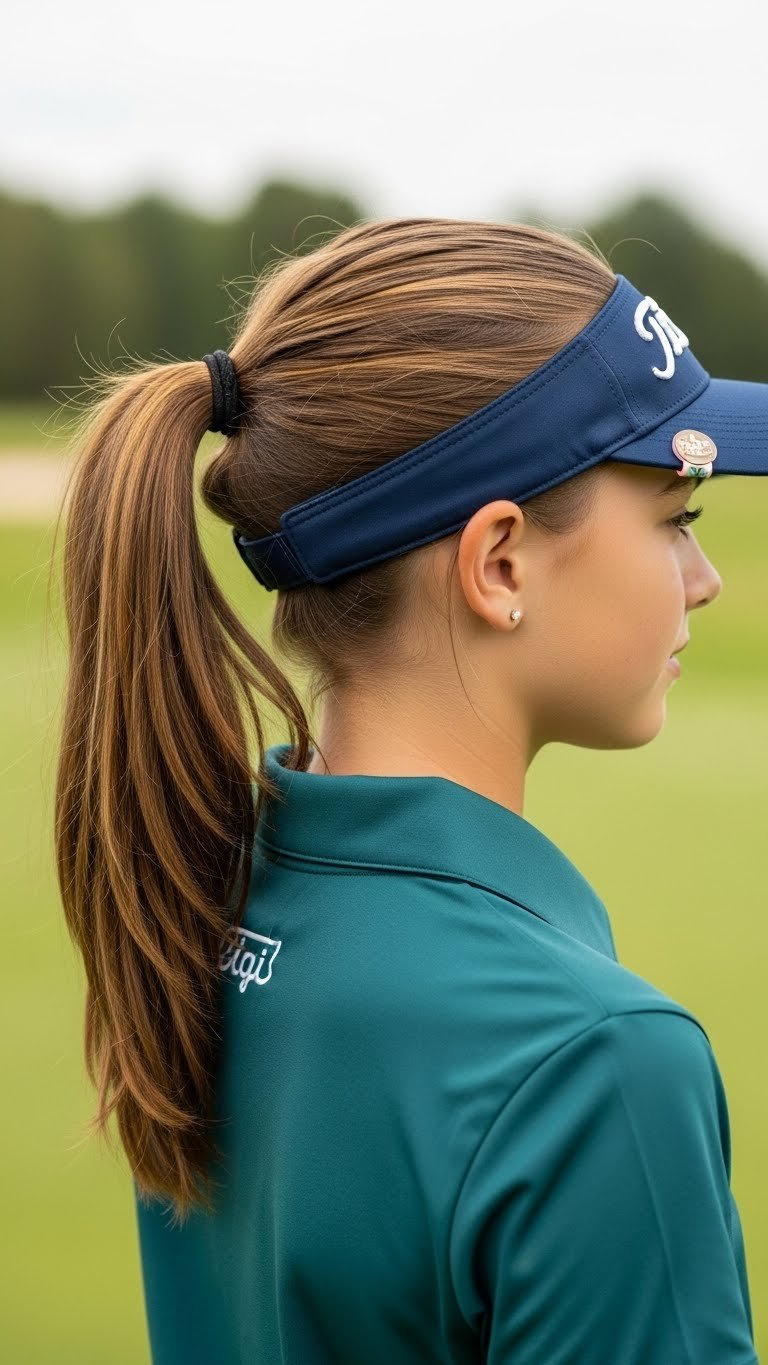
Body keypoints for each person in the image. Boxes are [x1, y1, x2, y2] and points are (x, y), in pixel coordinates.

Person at [53, 218, 764, 1364]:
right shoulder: (596, 1063)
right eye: (675, 519)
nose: (705, 577)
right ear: (498, 563)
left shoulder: (208, 897)